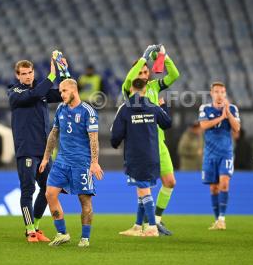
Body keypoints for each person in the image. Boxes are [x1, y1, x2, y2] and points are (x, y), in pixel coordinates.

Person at [121, 44, 180, 235]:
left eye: (146, 71)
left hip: (159, 143)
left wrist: (164, 55)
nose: (145, 74)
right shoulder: (129, 90)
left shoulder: (154, 87)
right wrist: (144, 56)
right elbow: (130, 78)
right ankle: (145, 225)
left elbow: (174, 75)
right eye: (141, 71)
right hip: (142, 145)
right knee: (144, 187)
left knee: (170, 181)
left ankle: (156, 220)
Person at [7, 54, 66, 243]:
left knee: (49, 189)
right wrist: (51, 76)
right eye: (23, 74)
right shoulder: (14, 92)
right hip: (26, 150)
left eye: (30, 72)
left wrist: (64, 74)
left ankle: (37, 226)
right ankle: (29, 231)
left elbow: (63, 93)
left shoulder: (40, 92)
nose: (27, 76)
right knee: (28, 189)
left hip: (44, 152)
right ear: (17, 76)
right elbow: (32, 95)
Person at [39, 79, 104, 247]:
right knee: (50, 194)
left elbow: (94, 139)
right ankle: (62, 233)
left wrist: (94, 162)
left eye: (64, 91)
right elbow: (54, 134)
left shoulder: (88, 111)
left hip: (81, 163)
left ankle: (85, 238)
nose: (61, 95)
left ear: (74, 91)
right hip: (61, 162)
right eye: (60, 91)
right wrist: (46, 157)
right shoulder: (61, 108)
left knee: (84, 200)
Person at [111, 78, 172, 237]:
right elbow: (167, 123)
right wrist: (163, 107)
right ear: (145, 90)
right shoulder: (153, 107)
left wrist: (115, 143)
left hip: (136, 156)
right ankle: (138, 226)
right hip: (153, 155)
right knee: (142, 189)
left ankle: (152, 226)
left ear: (131, 89)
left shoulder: (125, 108)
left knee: (144, 191)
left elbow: (116, 133)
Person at [198, 82, 240, 230]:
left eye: (222, 92)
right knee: (213, 188)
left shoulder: (232, 109)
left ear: (225, 93)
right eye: (216, 92)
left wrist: (227, 114)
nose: (219, 94)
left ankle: (222, 218)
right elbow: (203, 126)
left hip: (226, 153)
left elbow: (237, 129)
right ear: (211, 93)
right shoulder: (205, 108)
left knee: (224, 183)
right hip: (209, 155)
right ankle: (217, 220)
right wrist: (221, 117)